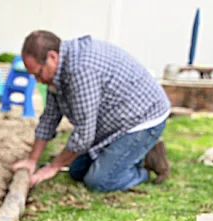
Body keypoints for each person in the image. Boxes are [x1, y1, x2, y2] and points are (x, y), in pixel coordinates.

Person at [12, 31, 171, 191]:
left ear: (52, 57)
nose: (38, 81)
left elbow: (84, 135)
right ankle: (129, 155)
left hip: (142, 119)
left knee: (99, 181)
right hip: (115, 119)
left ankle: (144, 166)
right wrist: (32, 160)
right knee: (76, 170)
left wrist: (53, 167)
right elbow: (49, 118)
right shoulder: (57, 73)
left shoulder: (81, 70)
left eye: (38, 73)